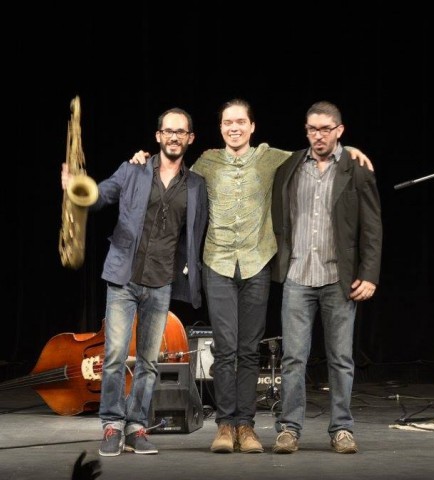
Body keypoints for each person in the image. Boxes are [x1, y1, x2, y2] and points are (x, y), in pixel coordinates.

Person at [130, 98, 373, 454]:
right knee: (225, 350)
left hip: (258, 263)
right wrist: (143, 161)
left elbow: (318, 150)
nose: (234, 128)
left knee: (248, 351)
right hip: (218, 264)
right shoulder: (207, 161)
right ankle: (226, 425)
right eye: (228, 122)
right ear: (220, 128)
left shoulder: (273, 157)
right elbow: (172, 169)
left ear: (252, 126)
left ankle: (247, 426)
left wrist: (348, 147)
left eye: (241, 122)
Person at [61, 108, 208, 457]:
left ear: (190, 138)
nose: (174, 137)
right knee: (113, 356)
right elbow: (100, 197)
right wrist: (76, 189)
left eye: (181, 132)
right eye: (168, 131)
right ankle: (112, 425)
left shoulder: (198, 185)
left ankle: (137, 426)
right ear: (158, 136)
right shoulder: (134, 169)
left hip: (161, 282)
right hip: (123, 278)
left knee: (149, 362)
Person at [270, 100, 382, 455]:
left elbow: (372, 227)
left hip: (338, 278)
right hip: (298, 275)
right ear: (306, 131)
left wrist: (370, 274)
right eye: (312, 129)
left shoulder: (355, 169)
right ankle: (289, 428)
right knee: (293, 358)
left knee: (341, 359)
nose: (318, 136)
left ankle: (342, 429)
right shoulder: (289, 166)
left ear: (339, 130)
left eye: (325, 129)